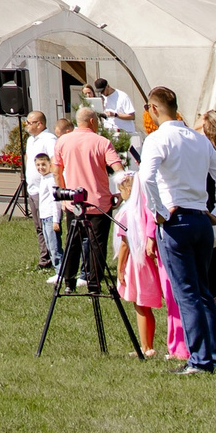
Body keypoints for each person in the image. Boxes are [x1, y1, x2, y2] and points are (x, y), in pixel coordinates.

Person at [137, 83, 216, 375]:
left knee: (187, 293)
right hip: (201, 219)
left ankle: (200, 360)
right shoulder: (198, 139)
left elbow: (146, 177)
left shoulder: (157, 139)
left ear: (154, 109)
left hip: (176, 220)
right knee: (202, 290)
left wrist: (159, 212)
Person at [54, 106, 123, 294]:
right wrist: (121, 192)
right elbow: (118, 169)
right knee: (97, 245)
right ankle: (94, 284)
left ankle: (68, 282)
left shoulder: (63, 141)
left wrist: (64, 195)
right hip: (99, 203)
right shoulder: (102, 142)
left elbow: (56, 171)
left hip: (74, 201)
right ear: (93, 121)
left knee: (72, 242)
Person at [114, 160, 173, 357]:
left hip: (135, 262)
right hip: (147, 261)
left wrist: (120, 267)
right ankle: (147, 344)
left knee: (140, 305)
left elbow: (125, 244)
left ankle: (146, 346)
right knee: (145, 305)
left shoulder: (127, 212)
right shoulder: (146, 209)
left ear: (127, 190)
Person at [21, 111, 58, 268]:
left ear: (40, 124)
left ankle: (54, 257)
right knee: (38, 226)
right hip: (33, 188)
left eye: (30, 123)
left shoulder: (49, 139)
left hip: (45, 189)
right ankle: (45, 257)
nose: (26, 125)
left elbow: (54, 161)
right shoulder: (31, 140)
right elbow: (28, 158)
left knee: (48, 225)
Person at [95, 78, 141, 149]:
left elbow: (132, 116)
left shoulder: (122, 96)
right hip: (110, 133)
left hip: (124, 134)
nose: (102, 93)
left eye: (103, 91)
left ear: (108, 86)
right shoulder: (103, 98)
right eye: (100, 92)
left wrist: (115, 115)